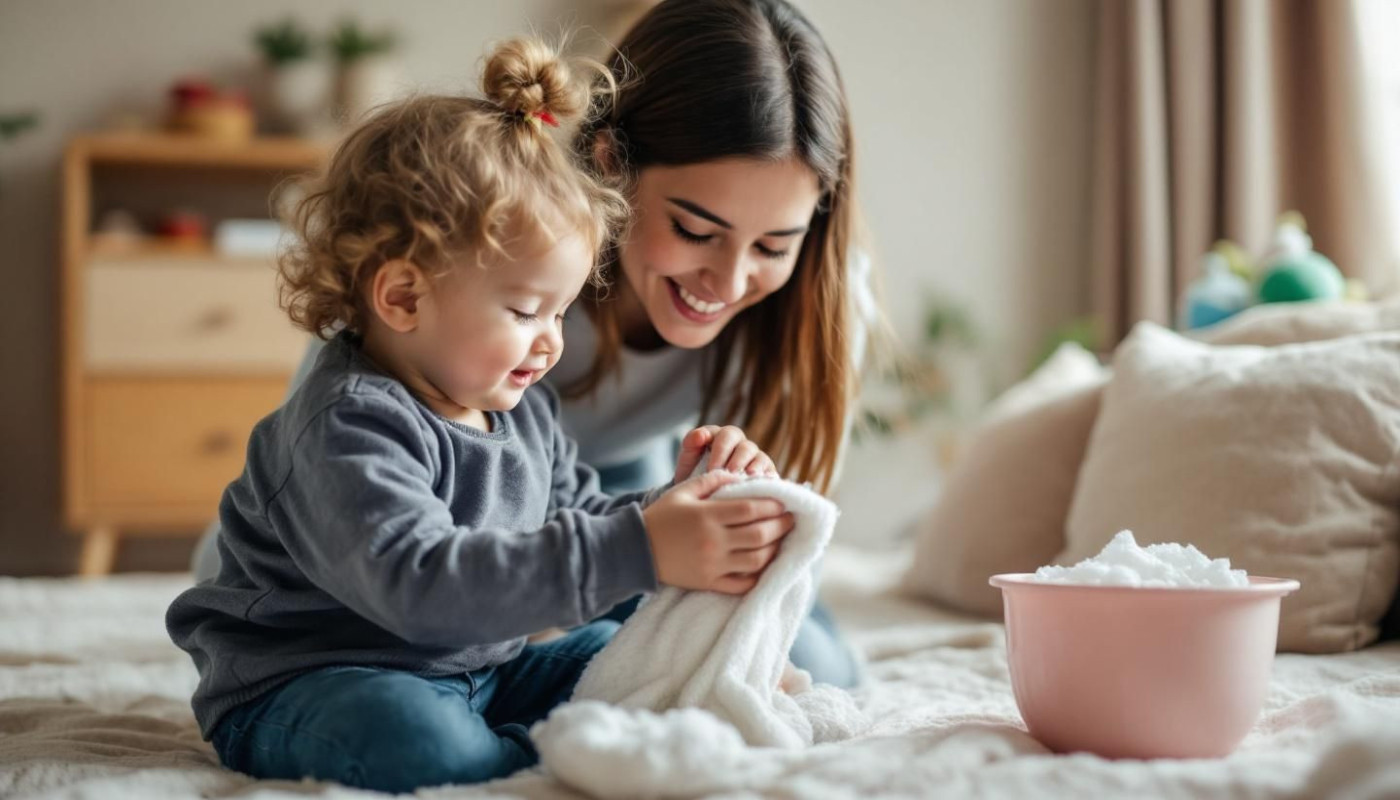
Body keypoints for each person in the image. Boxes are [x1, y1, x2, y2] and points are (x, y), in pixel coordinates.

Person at [168, 37, 793, 794]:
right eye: (528, 310)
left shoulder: (520, 410)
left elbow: (579, 519)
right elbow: (422, 586)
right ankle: (529, 768)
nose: (552, 341)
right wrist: (642, 546)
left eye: (562, 312)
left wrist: (683, 508)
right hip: (316, 683)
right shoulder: (343, 426)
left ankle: (645, 717)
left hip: (482, 673)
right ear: (402, 297)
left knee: (630, 653)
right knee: (418, 740)